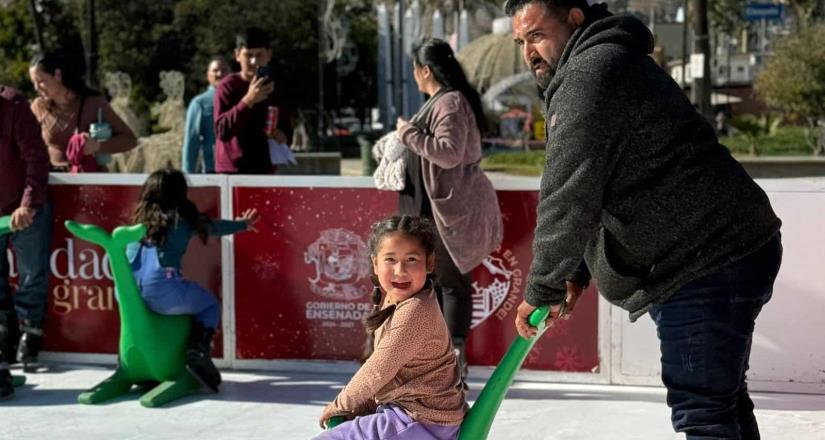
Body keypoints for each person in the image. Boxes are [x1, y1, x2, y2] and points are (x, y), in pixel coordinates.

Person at [506, 1, 782, 439]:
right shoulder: (604, 63)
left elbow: (567, 195)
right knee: (720, 400)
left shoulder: (589, 73)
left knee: (704, 410)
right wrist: (575, 270)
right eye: (521, 41)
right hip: (723, 248)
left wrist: (543, 287)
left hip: (705, 259)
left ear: (574, 18)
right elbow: (595, 182)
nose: (528, 52)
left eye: (537, 35)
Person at [395, 38, 503, 378]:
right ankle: (438, 357)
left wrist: (407, 134)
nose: (413, 76)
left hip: (449, 214)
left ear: (425, 70)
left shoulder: (450, 103)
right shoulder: (442, 101)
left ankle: (454, 360)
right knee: (436, 285)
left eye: (414, 70)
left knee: (451, 283)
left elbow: (449, 152)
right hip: (434, 212)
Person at [317, 215, 467, 440]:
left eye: (412, 259)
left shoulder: (415, 310)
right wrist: (360, 407)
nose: (400, 270)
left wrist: (340, 405)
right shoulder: (395, 301)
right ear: (375, 263)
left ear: (430, 262)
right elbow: (386, 368)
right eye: (390, 259)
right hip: (408, 415)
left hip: (422, 420)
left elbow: (379, 369)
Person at [129, 168, 259, 392]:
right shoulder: (180, 219)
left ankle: (146, 359)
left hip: (133, 296)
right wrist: (243, 224)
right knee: (209, 305)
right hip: (164, 293)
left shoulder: (137, 223)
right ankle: (197, 352)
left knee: (187, 298)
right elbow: (212, 227)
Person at [0, 85, 52, 398]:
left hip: (23, 208)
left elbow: (35, 156)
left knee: (32, 271)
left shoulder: (14, 105)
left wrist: (28, 203)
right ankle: (5, 347)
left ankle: (30, 332)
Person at [29, 51, 137, 172]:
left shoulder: (93, 103)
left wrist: (97, 146)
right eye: (34, 82)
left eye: (40, 81)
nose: (36, 88)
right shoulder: (38, 107)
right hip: (54, 181)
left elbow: (130, 140)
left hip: (89, 180)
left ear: (57, 75)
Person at [214, 27, 291, 174]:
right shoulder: (227, 86)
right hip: (232, 172)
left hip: (265, 171)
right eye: (248, 55)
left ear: (269, 54)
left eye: (259, 55)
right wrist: (248, 101)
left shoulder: (276, 87)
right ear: (237, 55)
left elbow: (287, 128)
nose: (254, 61)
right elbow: (221, 131)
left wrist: (283, 136)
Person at [182, 57, 231, 173]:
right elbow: (191, 141)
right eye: (215, 70)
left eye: (224, 70)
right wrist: (187, 174)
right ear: (208, 75)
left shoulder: (241, 100)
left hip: (241, 168)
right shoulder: (200, 103)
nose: (219, 74)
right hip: (213, 169)